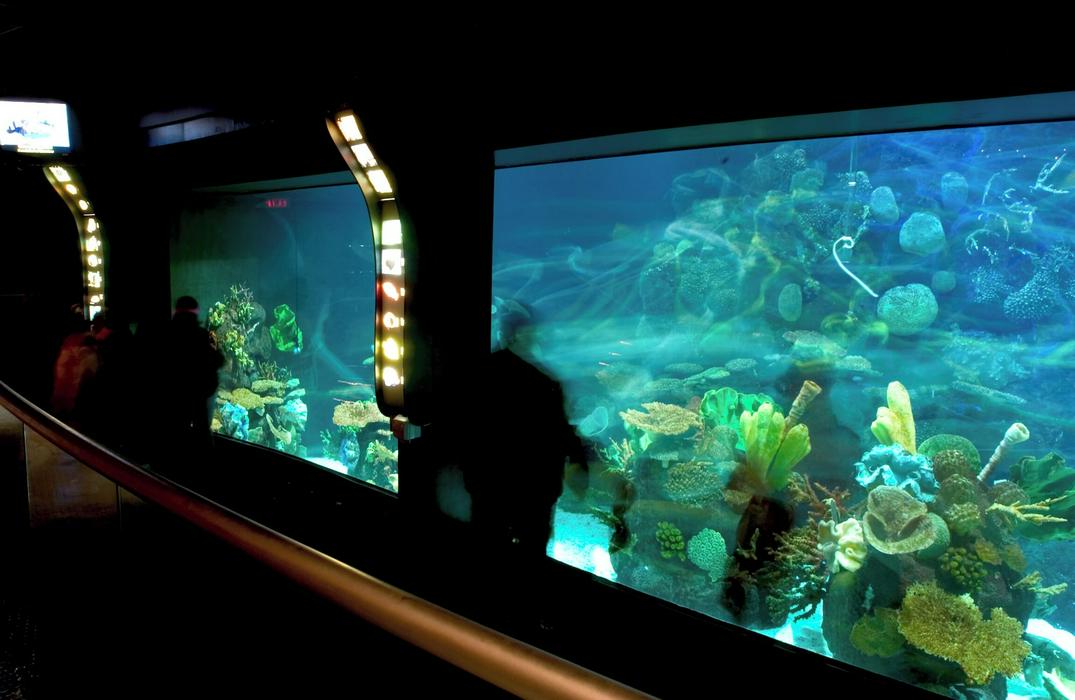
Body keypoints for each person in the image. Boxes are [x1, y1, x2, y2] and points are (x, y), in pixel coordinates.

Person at [156, 296, 224, 477]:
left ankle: (173, 473)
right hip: (199, 395)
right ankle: (205, 473)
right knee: (202, 432)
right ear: (195, 313)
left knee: (176, 432)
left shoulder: (166, 334)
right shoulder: (200, 335)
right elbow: (218, 360)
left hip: (174, 396)